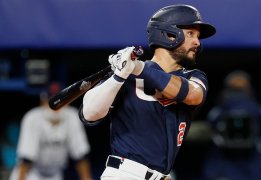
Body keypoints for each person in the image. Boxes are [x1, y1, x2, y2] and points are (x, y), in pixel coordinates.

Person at [79, 4, 216, 180]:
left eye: (198, 37)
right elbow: (89, 114)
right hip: (125, 174)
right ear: (169, 34)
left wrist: (138, 67)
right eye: (191, 34)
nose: (197, 42)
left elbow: (192, 95)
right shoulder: (127, 73)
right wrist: (119, 76)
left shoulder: (193, 76)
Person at [9, 82, 92, 180]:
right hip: (31, 174)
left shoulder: (72, 117)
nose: (57, 104)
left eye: (61, 100)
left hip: (55, 174)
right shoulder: (32, 118)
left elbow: (81, 157)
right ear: (43, 102)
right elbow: (25, 159)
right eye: (52, 100)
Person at [202, 70, 261, 180]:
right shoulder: (218, 112)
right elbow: (209, 134)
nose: (238, 94)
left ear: (249, 89)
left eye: (241, 89)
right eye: (235, 89)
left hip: (253, 165)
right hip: (224, 165)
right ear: (227, 90)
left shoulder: (259, 111)